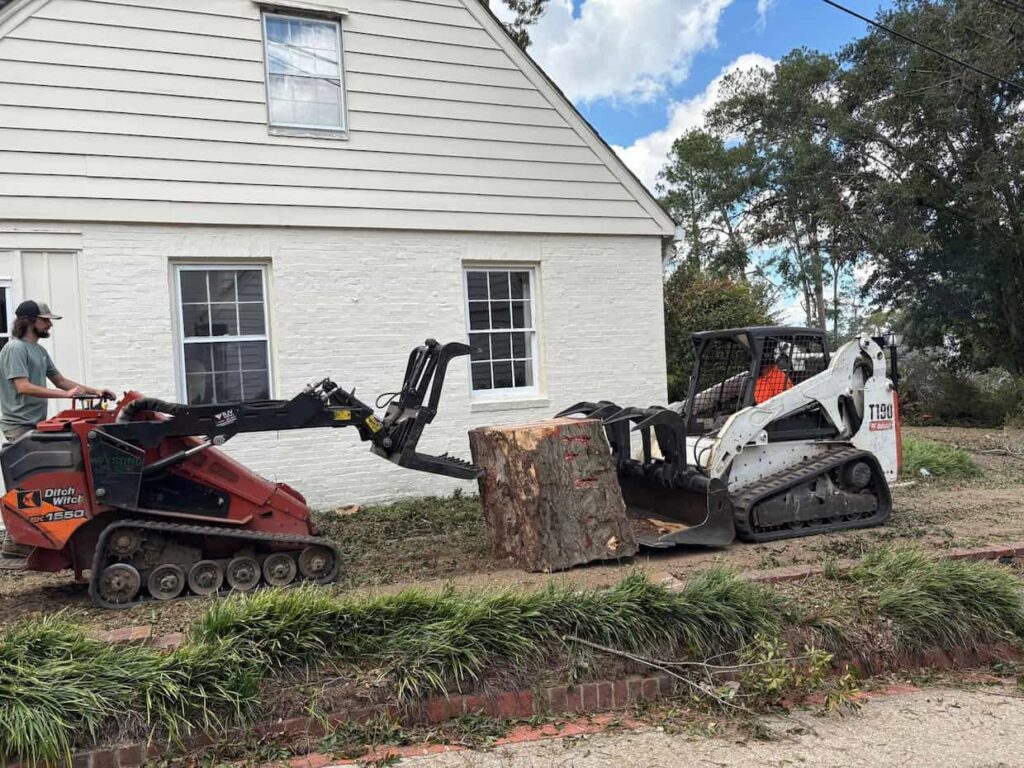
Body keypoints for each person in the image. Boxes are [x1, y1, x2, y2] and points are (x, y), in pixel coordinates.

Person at [0, 299, 115, 570]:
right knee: (27, 482)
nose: (49, 324)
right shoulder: (15, 349)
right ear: (28, 321)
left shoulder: (38, 351)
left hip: (34, 422)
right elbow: (23, 386)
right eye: (45, 319)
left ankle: (38, 537)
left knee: (46, 479)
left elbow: (62, 381)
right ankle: (14, 542)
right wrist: (65, 396)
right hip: (18, 423)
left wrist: (94, 391)